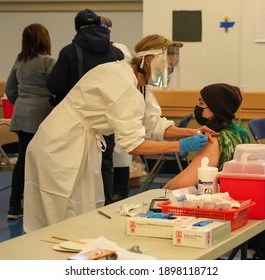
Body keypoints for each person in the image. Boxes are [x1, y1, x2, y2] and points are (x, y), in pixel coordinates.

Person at [23, 34, 217, 233]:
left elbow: (154, 124)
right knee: (59, 216)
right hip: (60, 145)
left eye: (172, 68)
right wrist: (181, 146)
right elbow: (133, 145)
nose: (168, 72)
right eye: (166, 67)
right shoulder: (122, 82)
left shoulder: (138, 83)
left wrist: (191, 132)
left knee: (82, 212)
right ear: (149, 61)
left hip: (80, 143)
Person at [46, 9, 124, 206]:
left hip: (75, 123)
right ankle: (106, 205)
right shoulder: (116, 52)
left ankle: (77, 210)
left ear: (76, 28)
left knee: (74, 167)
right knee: (105, 165)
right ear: (100, 25)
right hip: (107, 120)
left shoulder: (69, 52)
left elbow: (55, 85)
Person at [5, 23, 56, 219]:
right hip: (41, 115)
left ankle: (14, 205)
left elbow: (10, 90)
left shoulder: (20, 62)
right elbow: (57, 86)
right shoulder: (48, 61)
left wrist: (22, 101)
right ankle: (40, 206)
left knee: (22, 160)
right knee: (41, 160)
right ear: (45, 39)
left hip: (21, 114)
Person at [163, 83, 251, 189]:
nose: (197, 106)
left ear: (216, 109)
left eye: (201, 103)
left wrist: (163, 189)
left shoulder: (215, 140)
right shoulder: (240, 132)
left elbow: (181, 184)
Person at [100, 15, 133, 202]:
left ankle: (120, 190)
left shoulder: (119, 49)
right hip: (101, 111)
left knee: (120, 152)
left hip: (119, 106)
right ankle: (108, 193)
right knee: (106, 158)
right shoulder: (82, 51)